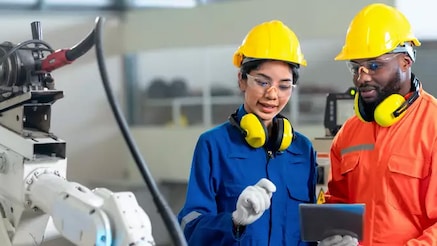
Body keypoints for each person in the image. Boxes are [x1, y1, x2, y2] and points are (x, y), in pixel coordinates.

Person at [177, 20, 318, 245]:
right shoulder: (214, 145)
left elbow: (309, 230)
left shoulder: (302, 149)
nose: (272, 95)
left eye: (284, 86)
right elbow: (189, 228)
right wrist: (235, 221)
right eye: (262, 82)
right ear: (242, 80)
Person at [324, 3, 437, 246]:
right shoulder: (348, 134)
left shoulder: (434, 127)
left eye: (374, 65)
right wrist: (333, 235)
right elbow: (338, 204)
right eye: (356, 67)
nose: (362, 77)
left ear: (406, 61)